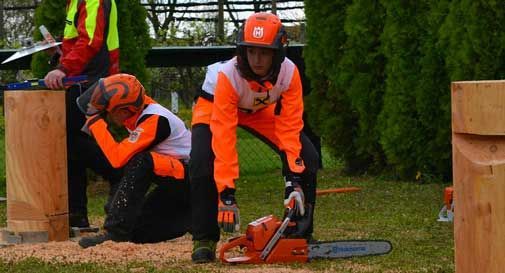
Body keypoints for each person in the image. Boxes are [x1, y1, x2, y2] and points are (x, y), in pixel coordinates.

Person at [190, 12, 319, 263]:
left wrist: (293, 179)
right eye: (251, 52)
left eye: (264, 52)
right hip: (215, 106)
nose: (257, 60)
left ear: (277, 52)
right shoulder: (227, 75)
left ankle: (298, 231)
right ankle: (203, 238)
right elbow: (224, 137)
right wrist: (226, 194)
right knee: (201, 161)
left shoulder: (289, 73)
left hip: (259, 108)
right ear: (242, 50)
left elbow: (290, 126)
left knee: (307, 156)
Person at [76, 73, 192, 248]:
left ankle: (115, 232)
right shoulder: (138, 107)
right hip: (177, 180)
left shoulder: (155, 120)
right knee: (136, 231)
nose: (106, 114)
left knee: (140, 161)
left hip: (190, 176)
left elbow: (117, 158)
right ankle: (191, 220)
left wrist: (94, 122)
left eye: (108, 110)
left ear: (125, 110)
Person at [43, 0, 120, 228]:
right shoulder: (75, 2)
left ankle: (120, 173)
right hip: (83, 80)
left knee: (74, 142)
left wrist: (63, 68)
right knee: (70, 144)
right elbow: (81, 42)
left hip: (92, 81)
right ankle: (77, 214)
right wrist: (59, 55)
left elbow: (90, 42)